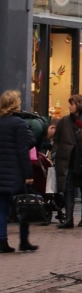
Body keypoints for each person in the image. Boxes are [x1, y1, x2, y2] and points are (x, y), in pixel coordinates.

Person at [0, 90, 38, 253]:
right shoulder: (19, 123)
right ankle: (24, 240)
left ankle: (2, 240)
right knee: (24, 204)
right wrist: (29, 174)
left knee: (1, 208)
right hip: (15, 172)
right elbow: (23, 151)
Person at [52, 95, 82, 228]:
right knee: (68, 188)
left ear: (79, 105)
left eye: (72, 104)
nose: (69, 106)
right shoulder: (64, 121)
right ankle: (69, 219)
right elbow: (57, 139)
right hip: (67, 159)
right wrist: (54, 153)